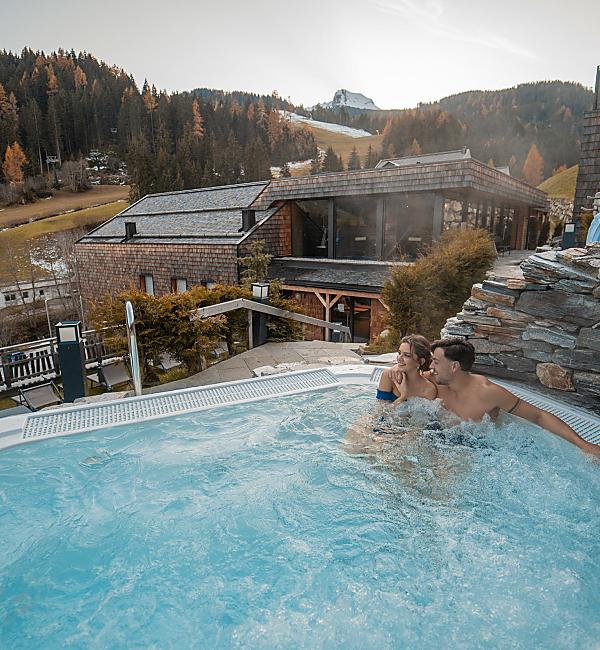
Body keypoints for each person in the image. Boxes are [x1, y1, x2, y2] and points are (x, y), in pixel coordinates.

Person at [429, 337, 600, 457]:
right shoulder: (432, 381)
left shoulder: (488, 392)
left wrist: (583, 444)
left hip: (475, 449)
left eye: (436, 362)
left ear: (454, 367)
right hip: (438, 437)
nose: (431, 366)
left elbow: (539, 416)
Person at [376, 335, 438, 404]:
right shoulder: (390, 375)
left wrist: (403, 396)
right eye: (399, 353)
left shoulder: (428, 390)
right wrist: (403, 397)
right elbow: (380, 410)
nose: (399, 358)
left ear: (420, 361)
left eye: (407, 355)